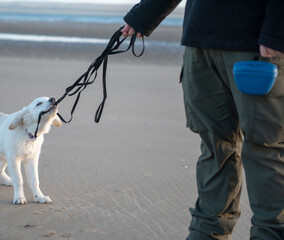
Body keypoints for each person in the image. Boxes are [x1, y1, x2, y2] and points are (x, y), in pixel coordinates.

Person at [121, 0, 284, 239]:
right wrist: (144, 14)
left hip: (256, 43)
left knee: (265, 146)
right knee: (215, 145)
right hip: (200, 41)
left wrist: (277, 30)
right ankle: (207, 232)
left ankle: (271, 233)